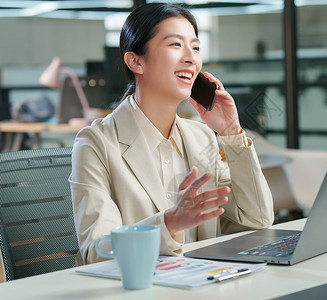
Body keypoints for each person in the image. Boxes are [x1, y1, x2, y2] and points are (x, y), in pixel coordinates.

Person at [70, 3, 274, 266]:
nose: (191, 58)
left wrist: (231, 131)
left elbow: (257, 219)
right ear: (136, 61)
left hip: (199, 284)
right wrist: (170, 223)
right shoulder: (95, 143)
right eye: (176, 45)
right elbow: (97, 251)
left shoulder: (201, 136)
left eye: (196, 47)